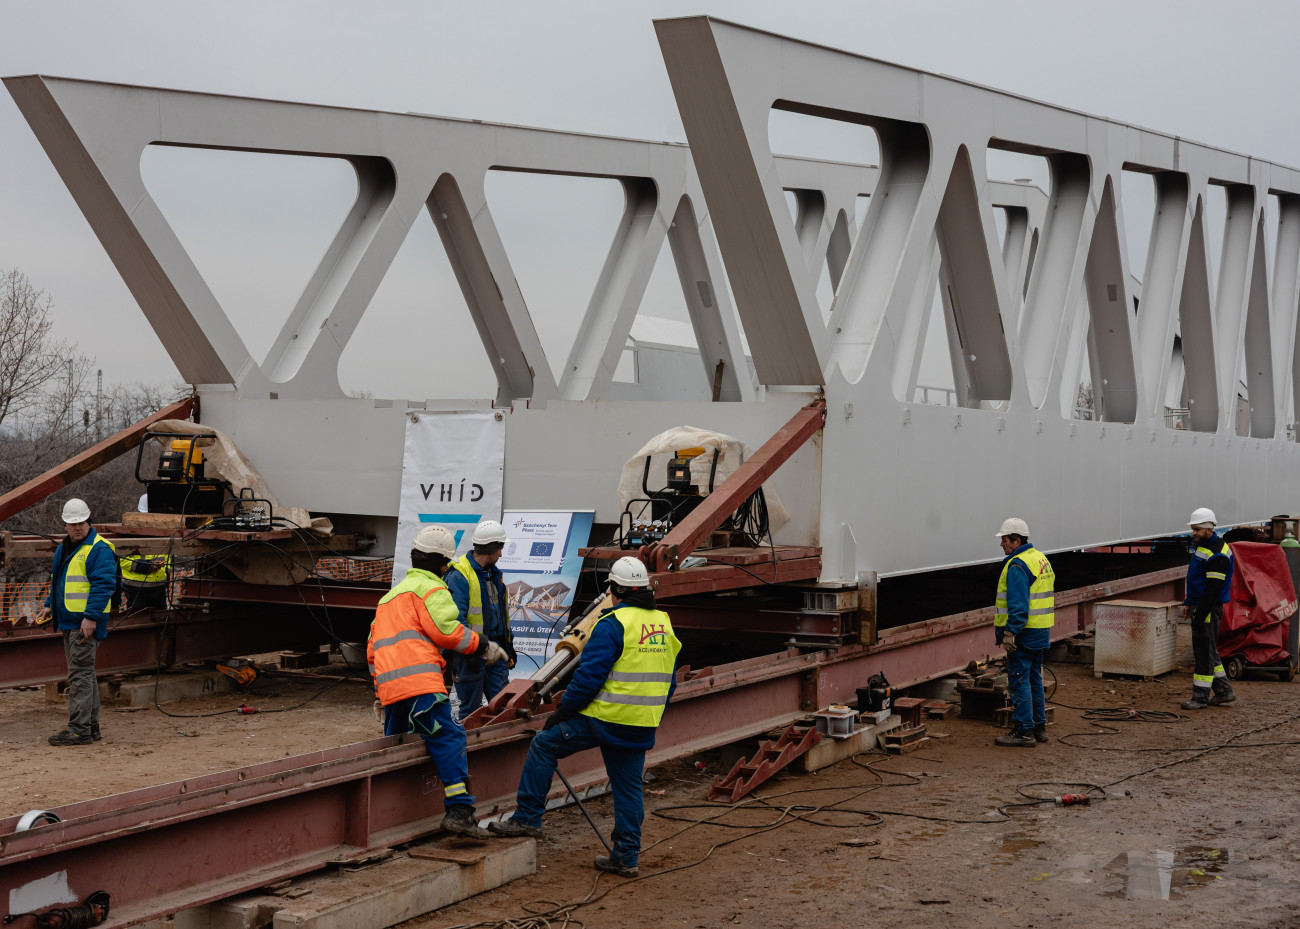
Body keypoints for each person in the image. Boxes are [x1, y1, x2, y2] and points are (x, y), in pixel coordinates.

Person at [490, 556, 682, 877]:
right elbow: (670, 681)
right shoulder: (663, 622)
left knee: (544, 744)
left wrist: (562, 713)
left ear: (615, 591)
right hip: (641, 723)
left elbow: (588, 680)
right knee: (629, 789)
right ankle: (626, 857)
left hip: (604, 719)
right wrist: (648, 713)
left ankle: (527, 818)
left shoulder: (611, 624)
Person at [368, 525, 510, 837]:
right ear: (443, 564)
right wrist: (484, 645)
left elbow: (372, 651)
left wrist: (381, 688)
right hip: (422, 688)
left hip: (392, 691)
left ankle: (387, 820)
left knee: (397, 747)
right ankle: (459, 810)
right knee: (450, 738)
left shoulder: (388, 599)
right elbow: (448, 631)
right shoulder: (432, 590)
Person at [36, 498, 117, 746]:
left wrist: (91, 617)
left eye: (80, 522)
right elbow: (57, 579)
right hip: (70, 621)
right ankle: (90, 727)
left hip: (85, 623)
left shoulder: (99, 549)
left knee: (80, 675)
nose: (77, 527)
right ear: (65, 525)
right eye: (72, 523)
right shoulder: (64, 548)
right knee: (85, 674)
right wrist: (49, 604)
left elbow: (104, 585)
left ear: (88, 521)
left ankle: (79, 730)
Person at [445, 519, 517, 720]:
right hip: (471, 655)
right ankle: (469, 750)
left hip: (496, 652)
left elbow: (503, 617)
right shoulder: (460, 575)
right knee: (471, 712)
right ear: (492, 548)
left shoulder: (494, 575)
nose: (501, 554)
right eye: (500, 548)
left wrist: (508, 647)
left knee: (502, 709)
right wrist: (471, 650)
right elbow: (455, 620)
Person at [993, 517, 1054, 748]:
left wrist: (1010, 633)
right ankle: (1039, 727)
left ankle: (1024, 731)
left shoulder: (1017, 565)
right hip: (1040, 631)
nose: (1002, 544)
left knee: (1019, 681)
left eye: (1005, 540)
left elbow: (1018, 606)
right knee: (1034, 680)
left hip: (1024, 633)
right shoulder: (1040, 559)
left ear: (1016, 540)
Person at [1181, 507, 1236, 709]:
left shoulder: (1218, 554)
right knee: (1209, 651)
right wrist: (1188, 603)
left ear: (1208, 529)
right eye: (1193, 529)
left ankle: (1200, 697)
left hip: (1208, 608)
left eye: (1196, 529)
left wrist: (1199, 614)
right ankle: (1223, 691)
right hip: (1200, 605)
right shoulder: (1204, 546)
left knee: (1204, 653)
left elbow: (1213, 590)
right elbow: (1197, 580)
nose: (1193, 533)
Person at [119, 493, 170, 612]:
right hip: (137, 588)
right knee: (137, 622)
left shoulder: (164, 532)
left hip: (159, 587)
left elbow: (167, 558)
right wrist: (147, 566)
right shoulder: (130, 533)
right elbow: (124, 562)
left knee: (161, 624)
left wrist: (164, 573)